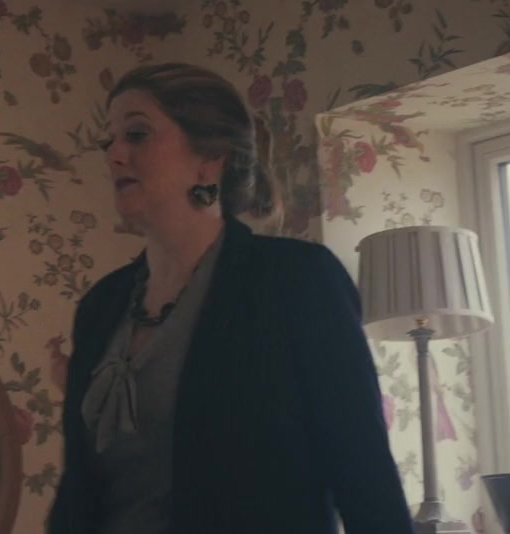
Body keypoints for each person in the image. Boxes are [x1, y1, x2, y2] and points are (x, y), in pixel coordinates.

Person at [47, 62, 414, 533]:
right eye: (109, 140)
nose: (115, 154)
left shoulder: (296, 283)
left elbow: (366, 478)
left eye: (137, 135)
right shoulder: (100, 307)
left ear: (211, 158)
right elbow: (76, 495)